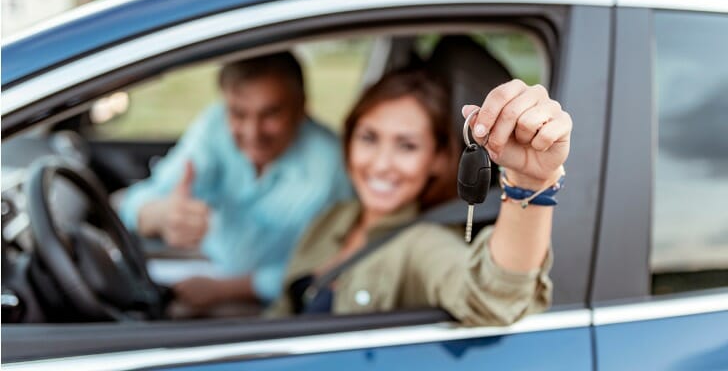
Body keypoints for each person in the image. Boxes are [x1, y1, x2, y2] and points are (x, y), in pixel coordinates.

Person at [268, 68, 571, 326]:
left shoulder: (424, 244)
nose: (380, 164)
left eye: (407, 146)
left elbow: (493, 298)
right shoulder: (333, 217)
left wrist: (529, 182)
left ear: (438, 158)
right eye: (368, 138)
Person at [119, 52, 351, 312]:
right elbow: (136, 201)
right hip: (205, 263)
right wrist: (161, 216)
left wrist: (225, 289)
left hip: (276, 304)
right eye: (238, 114)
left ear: (301, 108)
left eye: (270, 114)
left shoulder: (332, 168)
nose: (253, 133)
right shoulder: (214, 126)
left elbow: (332, 264)